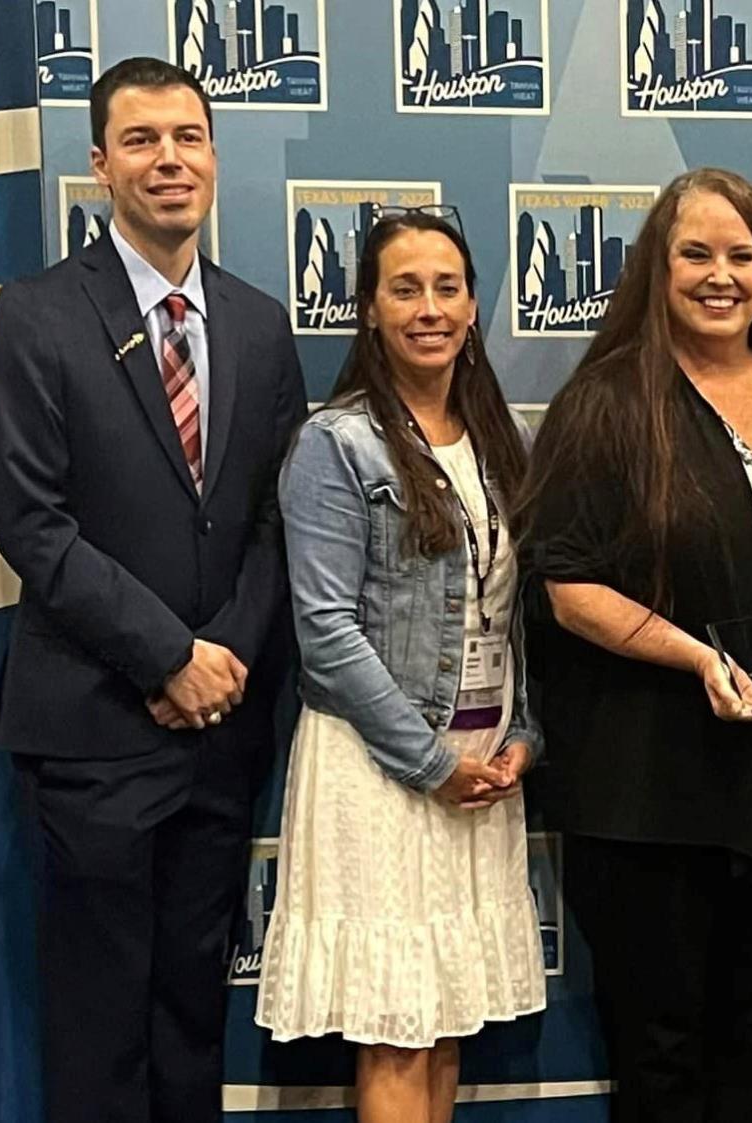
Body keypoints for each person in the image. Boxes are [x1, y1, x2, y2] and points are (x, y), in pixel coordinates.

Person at [0, 57, 305, 1123]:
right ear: (100, 165)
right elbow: (33, 524)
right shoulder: (34, 316)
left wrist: (224, 663)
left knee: (191, 1022)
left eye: (190, 137)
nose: (171, 159)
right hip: (95, 731)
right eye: (144, 140)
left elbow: (272, 519)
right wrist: (169, 657)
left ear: (214, 156)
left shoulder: (258, 324)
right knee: (99, 1032)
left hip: (221, 734)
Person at [520, 167, 752, 1122]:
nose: (721, 275)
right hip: (647, 787)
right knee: (661, 1049)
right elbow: (566, 586)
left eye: (741, 254)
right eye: (696, 253)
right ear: (656, 268)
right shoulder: (604, 404)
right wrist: (694, 657)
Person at [253, 208, 545, 1120]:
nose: (429, 307)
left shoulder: (498, 440)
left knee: (445, 1017)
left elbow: (513, 612)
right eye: (404, 288)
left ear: (472, 306)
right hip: (382, 773)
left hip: (483, 768)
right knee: (395, 1026)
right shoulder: (335, 443)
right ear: (370, 312)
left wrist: (521, 739)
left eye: (447, 287)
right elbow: (326, 634)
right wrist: (429, 764)